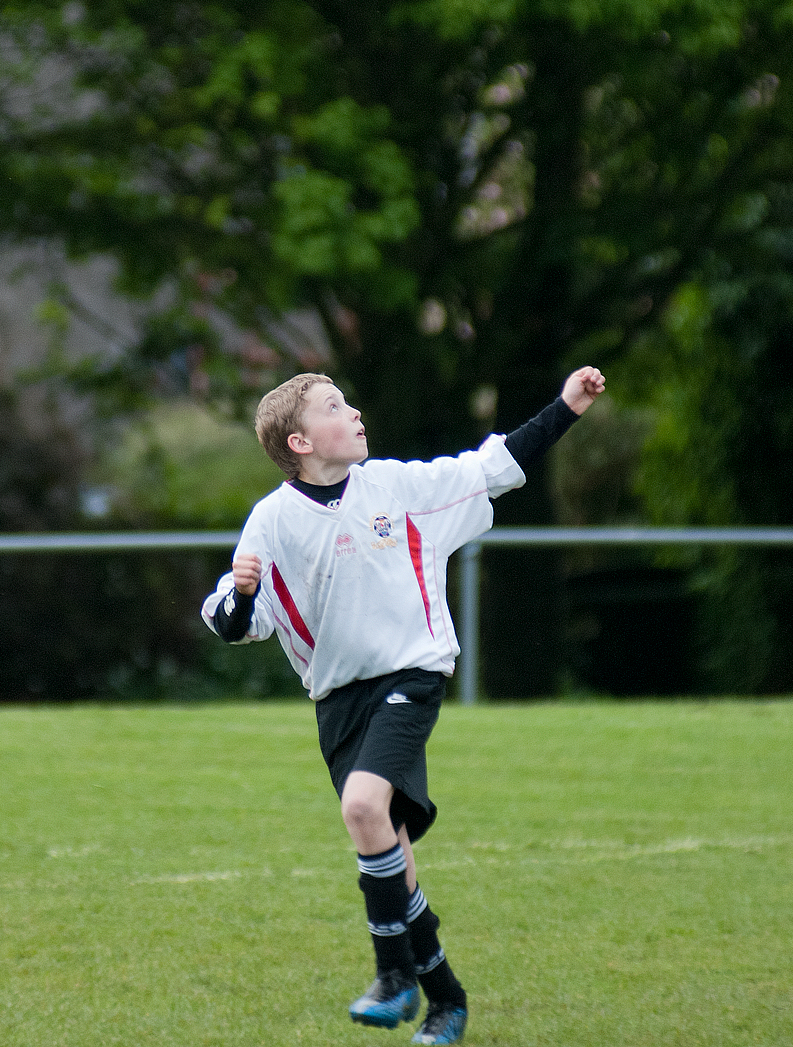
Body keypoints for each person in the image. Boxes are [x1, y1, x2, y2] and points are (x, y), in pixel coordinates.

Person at [201, 366, 605, 1045]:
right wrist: (242, 594)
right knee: (390, 852)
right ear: (299, 441)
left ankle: (393, 974)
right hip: (338, 702)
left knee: (362, 808)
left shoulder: (396, 487)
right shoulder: (271, 521)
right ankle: (447, 1001)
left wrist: (566, 406)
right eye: (335, 406)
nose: (355, 412)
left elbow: (493, 465)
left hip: (410, 677)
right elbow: (232, 621)